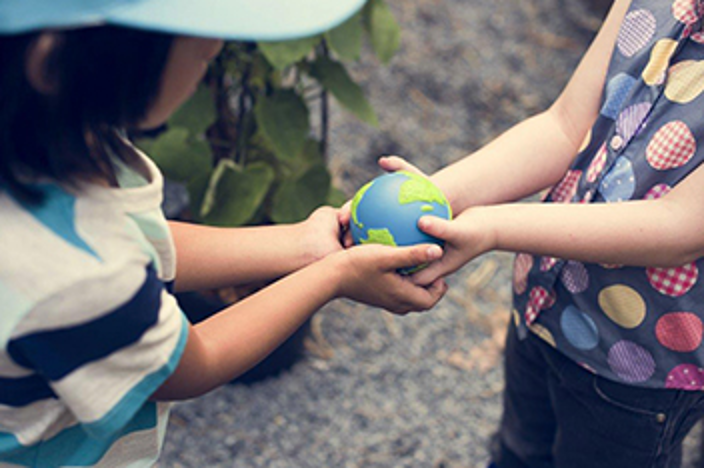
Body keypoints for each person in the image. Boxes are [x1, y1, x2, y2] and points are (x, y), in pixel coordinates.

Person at [0, 1, 449, 466]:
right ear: (53, 62)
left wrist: (300, 246)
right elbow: (192, 364)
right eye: (184, 33)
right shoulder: (77, 276)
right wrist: (333, 277)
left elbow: (140, 241)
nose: (213, 46)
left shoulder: (47, 145)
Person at [344, 0, 704, 466]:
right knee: (519, 450)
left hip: (638, 367)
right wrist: (432, 199)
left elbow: (680, 226)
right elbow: (564, 126)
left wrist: (493, 227)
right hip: (545, 302)